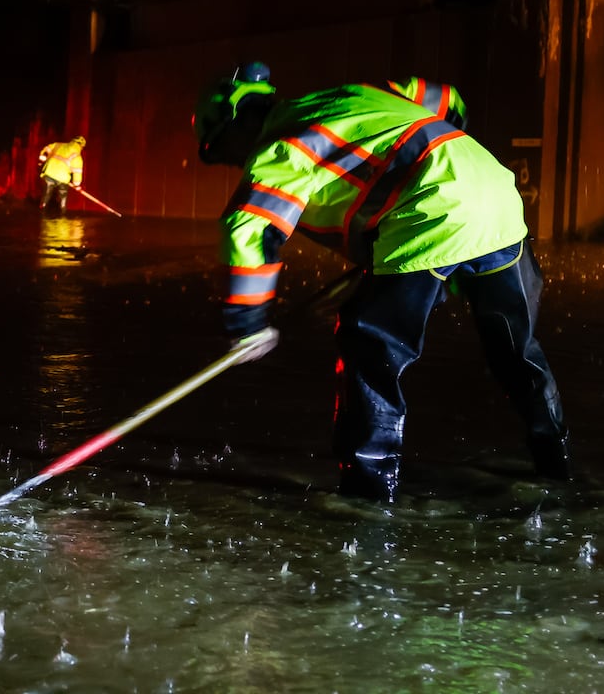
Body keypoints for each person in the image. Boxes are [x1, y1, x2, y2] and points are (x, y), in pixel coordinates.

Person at [192, 61, 572, 502]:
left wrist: (248, 324)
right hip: (496, 197)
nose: (233, 163)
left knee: (368, 349)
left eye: (222, 151)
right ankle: (557, 464)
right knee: (516, 349)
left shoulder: (280, 148)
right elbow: (448, 100)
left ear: (236, 124)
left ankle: (368, 495)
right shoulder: (356, 94)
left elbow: (249, 228)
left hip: (428, 213)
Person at [37, 135, 85, 216]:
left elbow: (45, 151)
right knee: (63, 196)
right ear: (81, 146)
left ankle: (42, 209)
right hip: (63, 179)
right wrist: (76, 185)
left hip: (49, 173)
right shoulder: (77, 157)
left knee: (46, 194)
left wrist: (41, 160)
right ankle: (62, 212)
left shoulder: (57, 145)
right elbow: (77, 173)